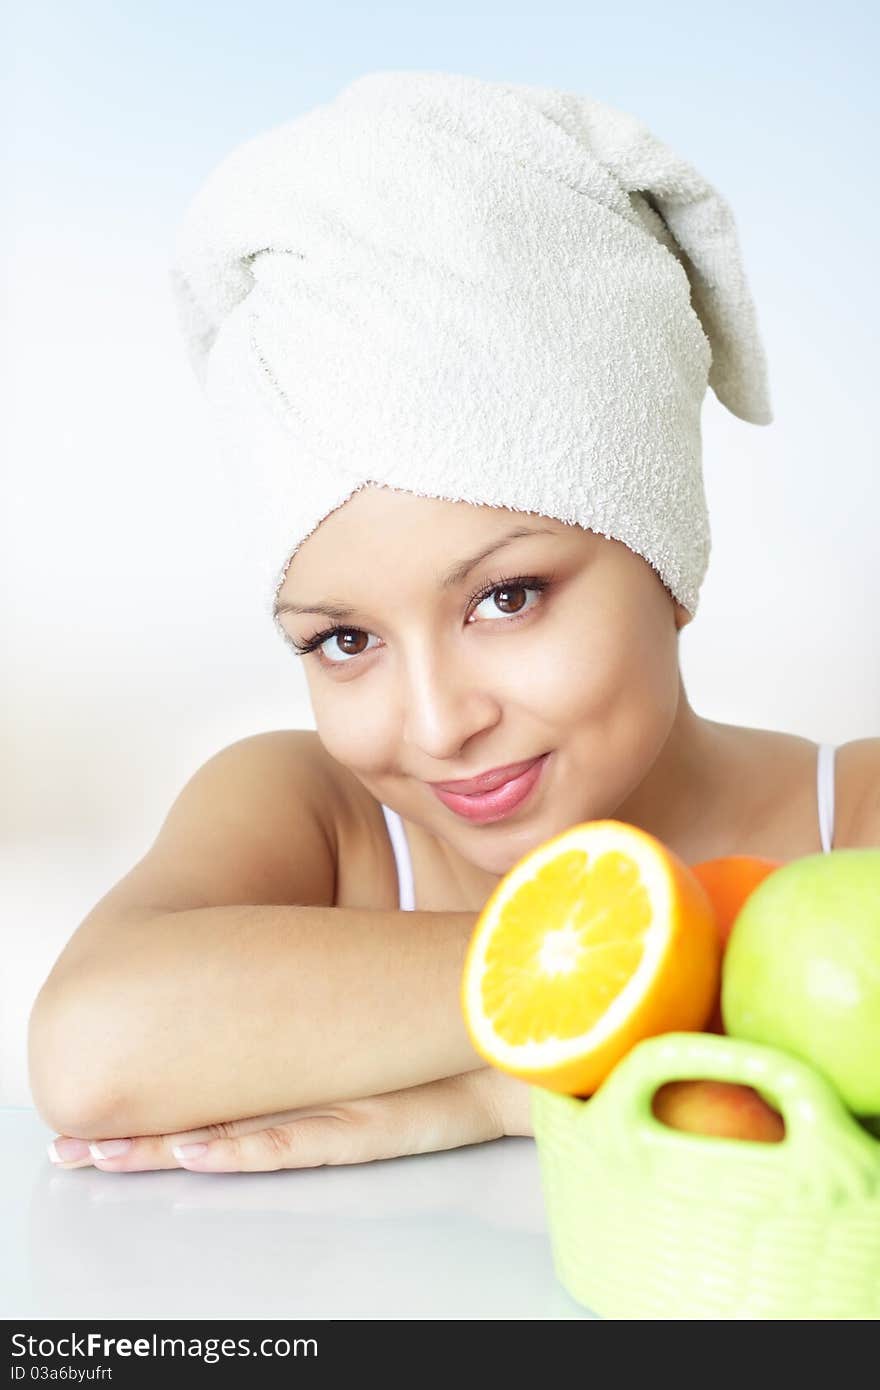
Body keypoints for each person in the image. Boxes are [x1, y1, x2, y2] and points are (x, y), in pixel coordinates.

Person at [29, 72, 880, 1175]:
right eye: (344, 640)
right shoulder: (312, 813)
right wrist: (578, 1004)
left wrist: (490, 1090)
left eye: (505, 597)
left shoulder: (851, 812)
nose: (436, 724)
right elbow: (94, 1049)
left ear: (667, 558)